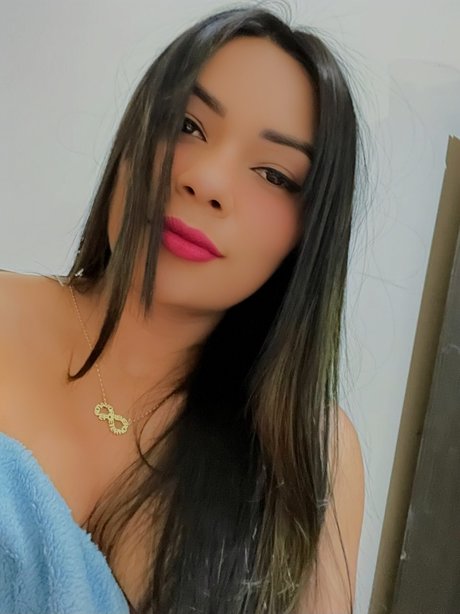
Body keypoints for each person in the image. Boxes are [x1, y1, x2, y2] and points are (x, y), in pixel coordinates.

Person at [0, 5, 365, 613]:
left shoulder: (309, 452)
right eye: (188, 125)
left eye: (273, 174)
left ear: (307, 234)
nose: (207, 181)